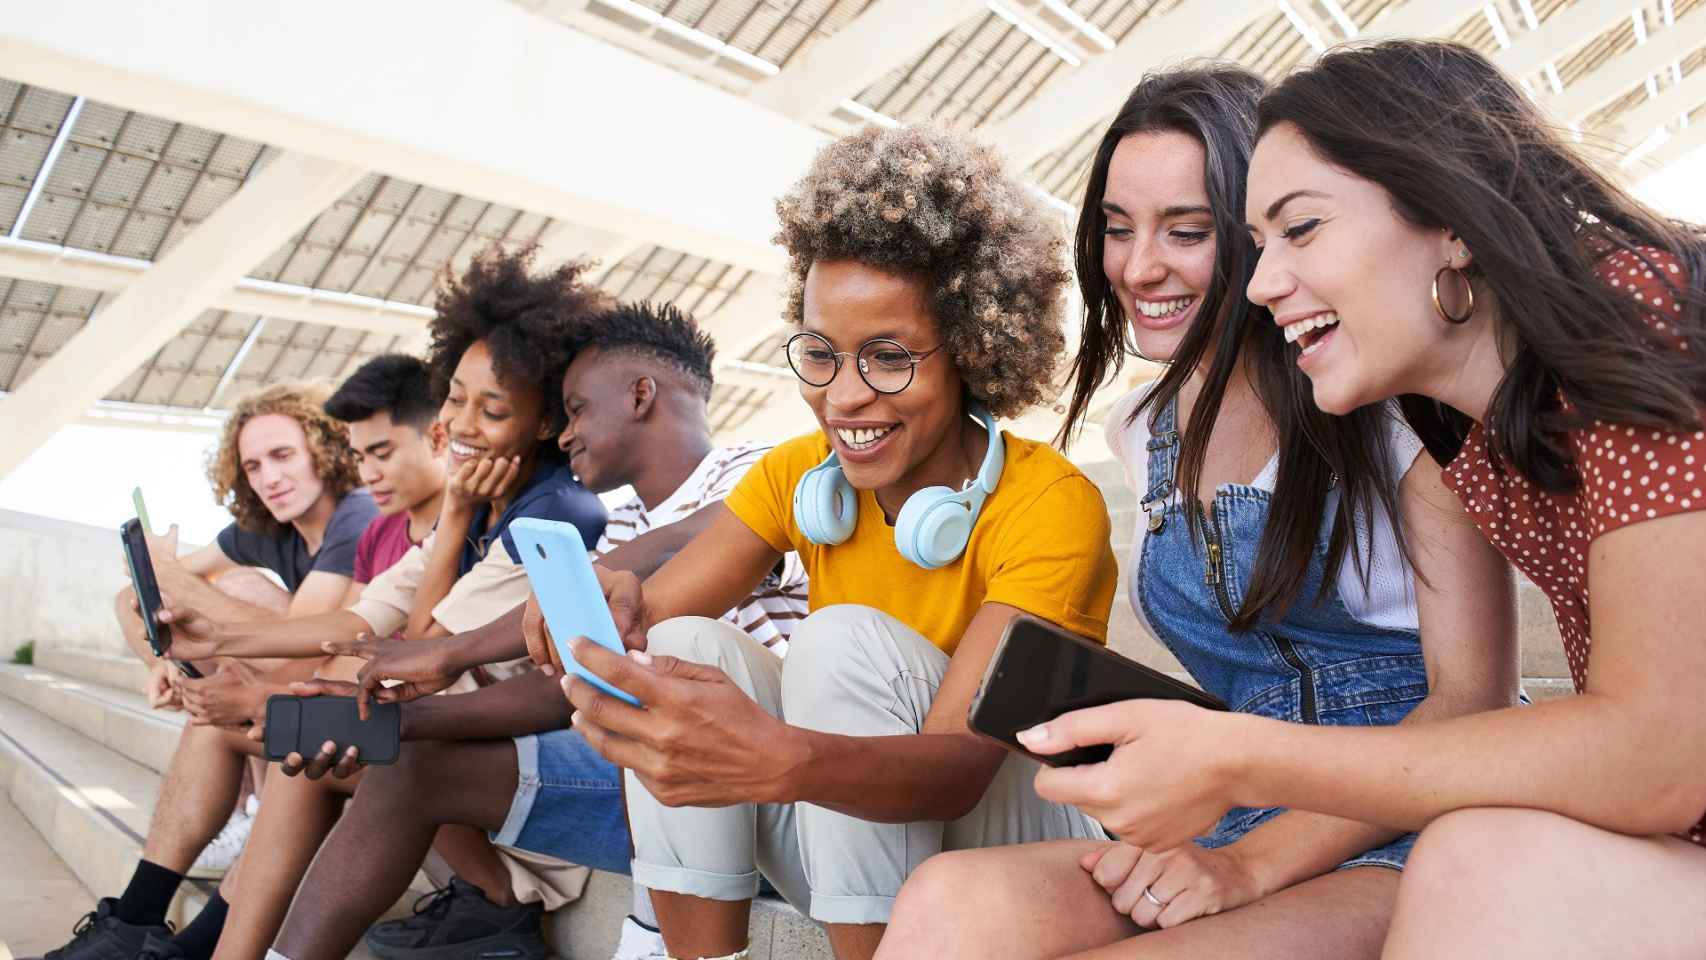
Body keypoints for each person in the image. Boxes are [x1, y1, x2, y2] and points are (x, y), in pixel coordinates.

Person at [1015, 39, 1706, 959]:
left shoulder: (1641, 315)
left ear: (1451, 216)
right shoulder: (1470, 415)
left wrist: (1233, 762)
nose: (1260, 285)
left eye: (1300, 230)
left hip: (1464, 827)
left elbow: (1655, 756)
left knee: (1482, 859)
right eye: (1256, 244)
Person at [877, 64, 1517, 960]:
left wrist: (1251, 861)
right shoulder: (1140, 429)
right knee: (949, 900)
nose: (1140, 268)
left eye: (1186, 231)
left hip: (1407, 825)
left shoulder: (1397, 404)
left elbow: (1473, 704)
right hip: (1223, 812)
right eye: (1115, 230)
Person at [553, 124, 1116, 960]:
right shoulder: (798, 476)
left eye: (888, 357)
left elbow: (958, 769)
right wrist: (615, 618)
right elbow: (651, 628)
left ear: (970, 347)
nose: (843, 397)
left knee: (839, 641)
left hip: (1034, 843)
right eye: (821, 354)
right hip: (857, 831)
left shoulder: (1050, 502)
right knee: (679, 646)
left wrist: (783, 760)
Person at [250, 300, 809, 960]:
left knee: (674, 671)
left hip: (761, 785)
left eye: (575, 409)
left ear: (639, 395)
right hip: (647, 780)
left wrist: (452, 652)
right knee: (408, 764)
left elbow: (686, 551)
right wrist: (381, 718)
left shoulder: (749, 470)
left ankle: (634, 923)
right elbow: (562, 687)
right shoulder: (622, 521)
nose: (563, 435)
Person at [139, 248, 611, 960]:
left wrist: (452, 515)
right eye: (454, 397)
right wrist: (215, 644)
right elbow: (358, 622)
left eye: (493, 409)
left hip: (518, 782)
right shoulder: (490, 501)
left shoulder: (552, 517)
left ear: (543, 425)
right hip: (452, 748)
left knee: (316, 726)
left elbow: (420, 647)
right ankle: (216, 951)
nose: (462, 424)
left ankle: (492, 898)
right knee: (310, 731)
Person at [30, 383, 378, 960]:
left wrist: (178, 582)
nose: (268, 477)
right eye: (253, 465)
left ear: (326, 449)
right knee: (213, 701)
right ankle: (135, 924)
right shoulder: (265, 528)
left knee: (235, 588)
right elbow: (131, 598)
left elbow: (312, 635)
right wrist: (159, 665)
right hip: (294, 699)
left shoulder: (358, 515)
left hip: (348, 700)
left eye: (283, 455)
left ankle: (174, 935)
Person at [325, 353, 449, 599]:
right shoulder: (377, 533)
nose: (368, 475)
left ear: (437, 439)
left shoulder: (481, 531)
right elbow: (352, 625)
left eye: (382, 454)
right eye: (359, 458)